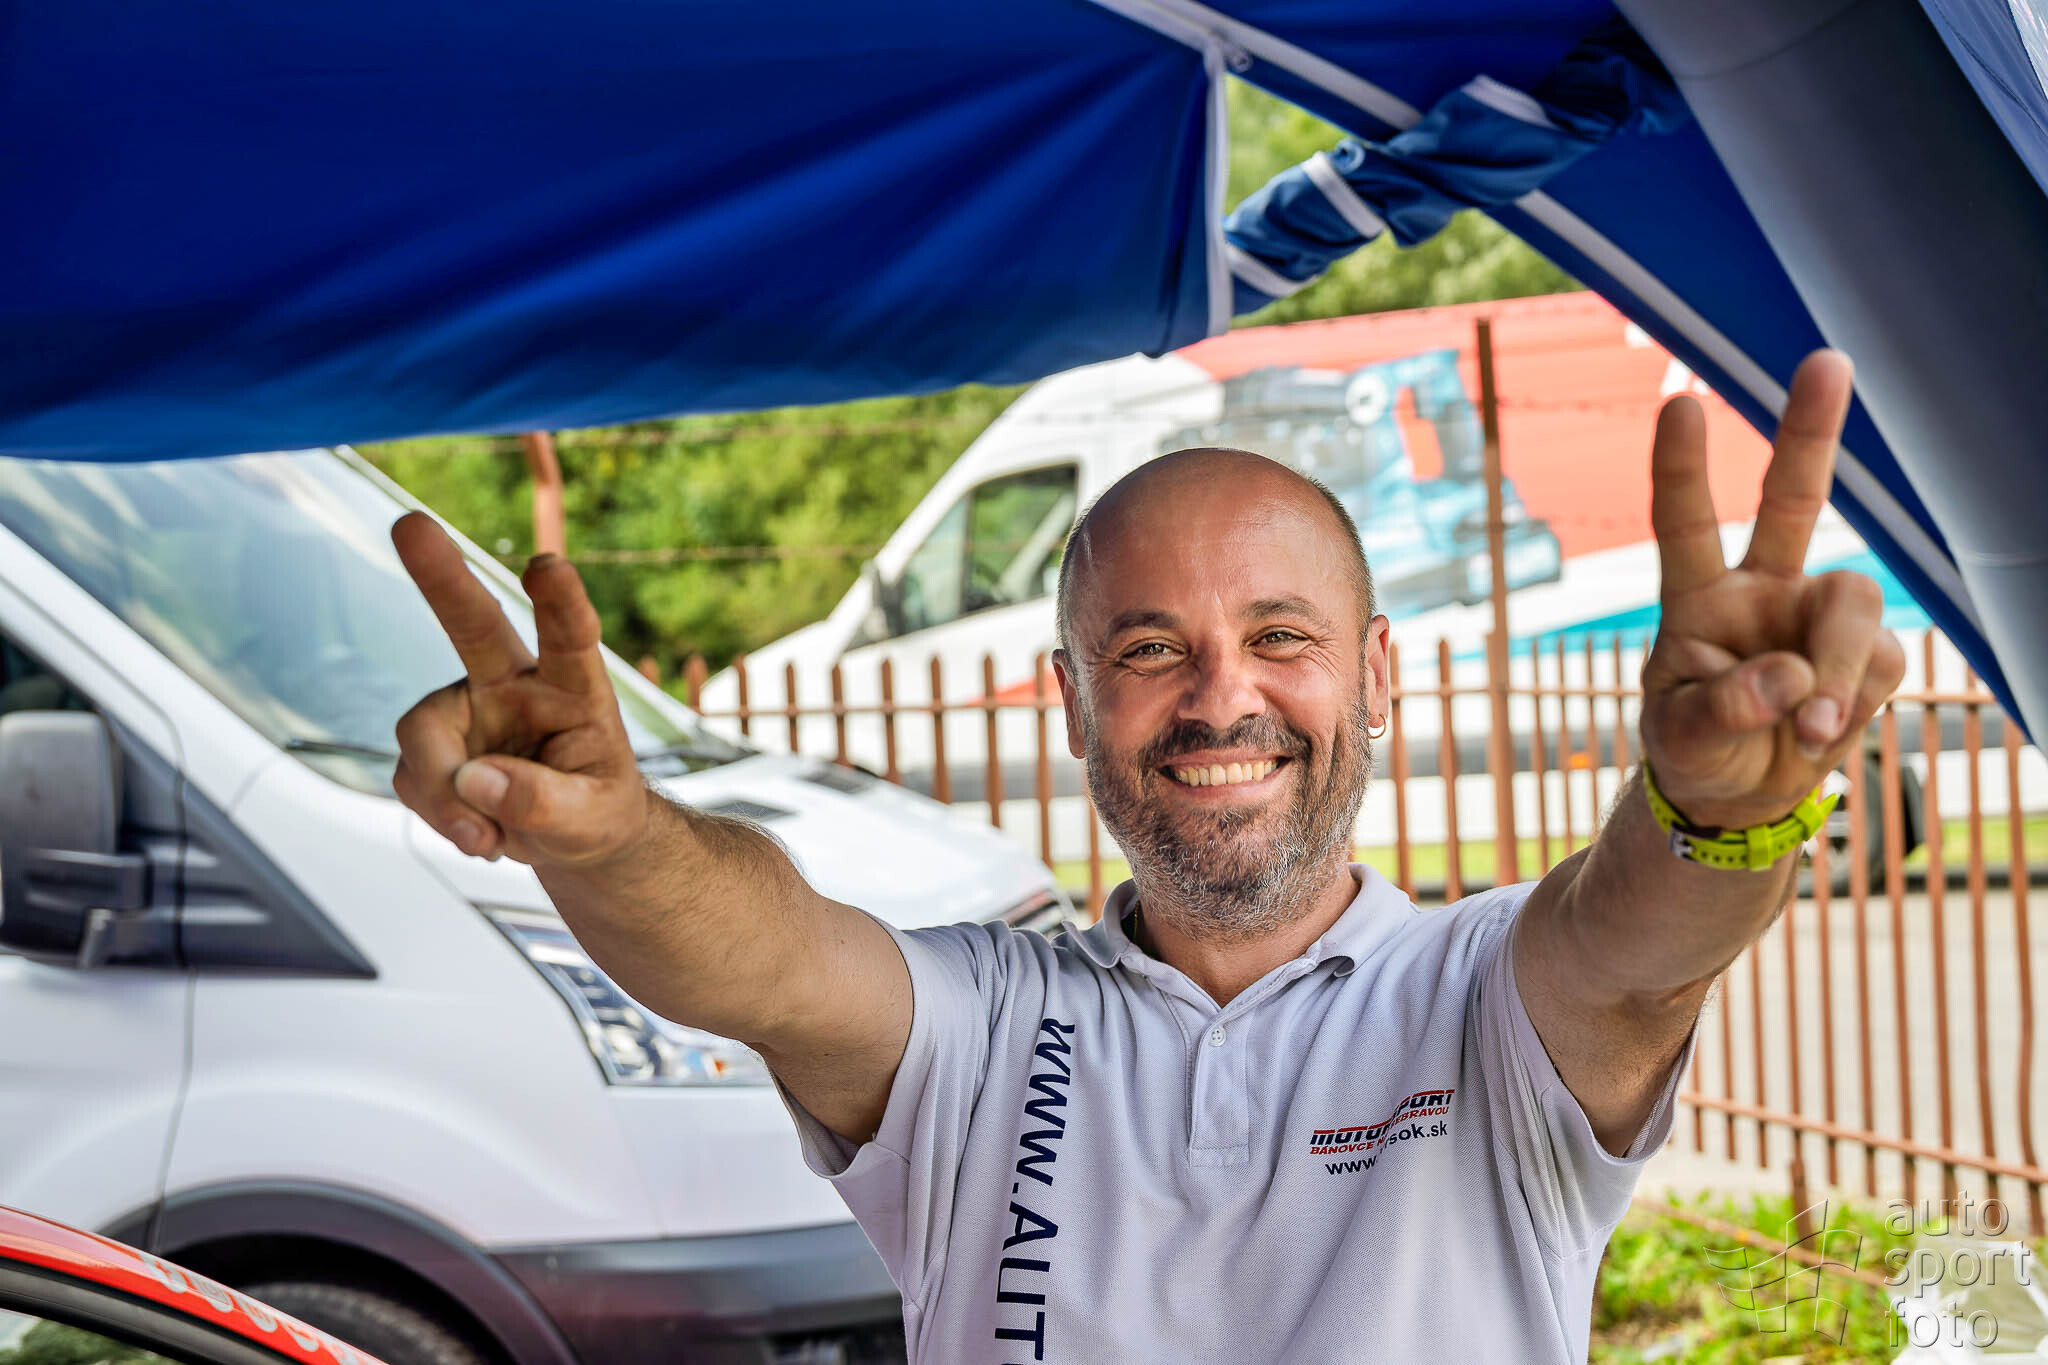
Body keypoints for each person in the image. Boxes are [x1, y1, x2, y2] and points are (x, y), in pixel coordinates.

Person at [389, 350, 1902, 1362]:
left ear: (1377, 674)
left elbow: (1642, 940)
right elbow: (763, 954)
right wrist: (618, 836)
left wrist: (1715, 812)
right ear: (1072, 701)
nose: (1221, 698)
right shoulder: (983, 1024)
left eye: (1280, 636)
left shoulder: (1486, 996)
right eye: (1151, 648)